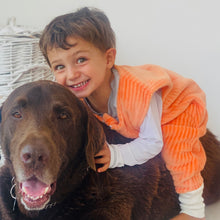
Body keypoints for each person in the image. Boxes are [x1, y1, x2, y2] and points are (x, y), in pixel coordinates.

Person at [39, 7, 208, 220]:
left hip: (179, 107)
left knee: (176, 152)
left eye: (81, 60)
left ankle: (193, 211)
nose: (71, 74)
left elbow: (153, 142)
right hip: (136, 114)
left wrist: (116, 155)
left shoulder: (137, 93)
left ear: (109, 59)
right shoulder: (79, 96)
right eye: (59, 66)